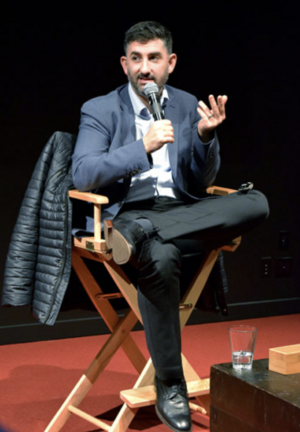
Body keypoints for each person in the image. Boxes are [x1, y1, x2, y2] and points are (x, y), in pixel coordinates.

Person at [72, 21, 269, 432]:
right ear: (125, 63)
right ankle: (171, 385)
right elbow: (83, 174)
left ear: (170, 63)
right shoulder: (100, 109)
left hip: (175, 213)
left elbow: (200, 182)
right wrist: (140, 146)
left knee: (255, 202)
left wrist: (203, 137)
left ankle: (146, 232)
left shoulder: (185, 104)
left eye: (155, 58)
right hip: (128, 212)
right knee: (160, 259)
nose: (146, 68)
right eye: (138, 59)